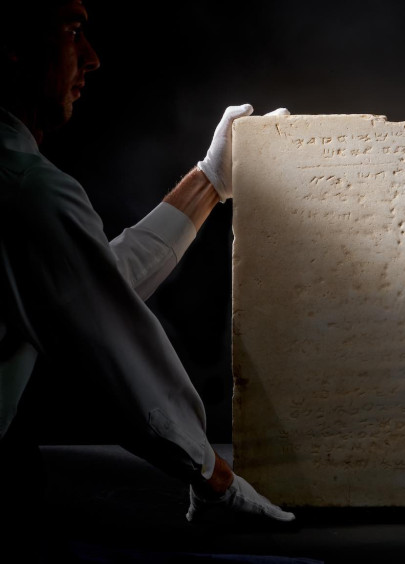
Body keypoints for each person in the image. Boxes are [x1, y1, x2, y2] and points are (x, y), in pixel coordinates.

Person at [0, 0, 295, 546]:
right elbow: (110, 341)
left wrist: (210, 180)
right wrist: (212, 475)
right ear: (11, 46)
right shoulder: (25, 187)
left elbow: (91, 285)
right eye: (72, 30)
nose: (92, 58)